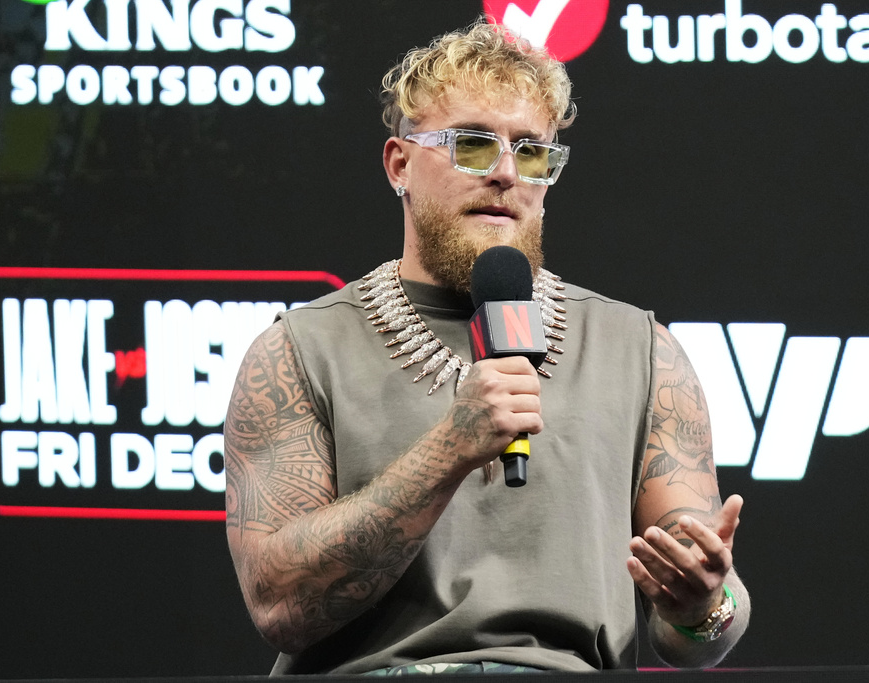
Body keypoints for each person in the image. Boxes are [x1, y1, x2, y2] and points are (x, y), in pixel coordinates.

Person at [225, 19, 750, 675]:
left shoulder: (640, 351)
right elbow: (280, 604)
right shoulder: (298, 351)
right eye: (473, 145)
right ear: (399, 164)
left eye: (532, 151)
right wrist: (449, 449)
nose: (506, 172)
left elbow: (702, 635)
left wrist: (701, 603)